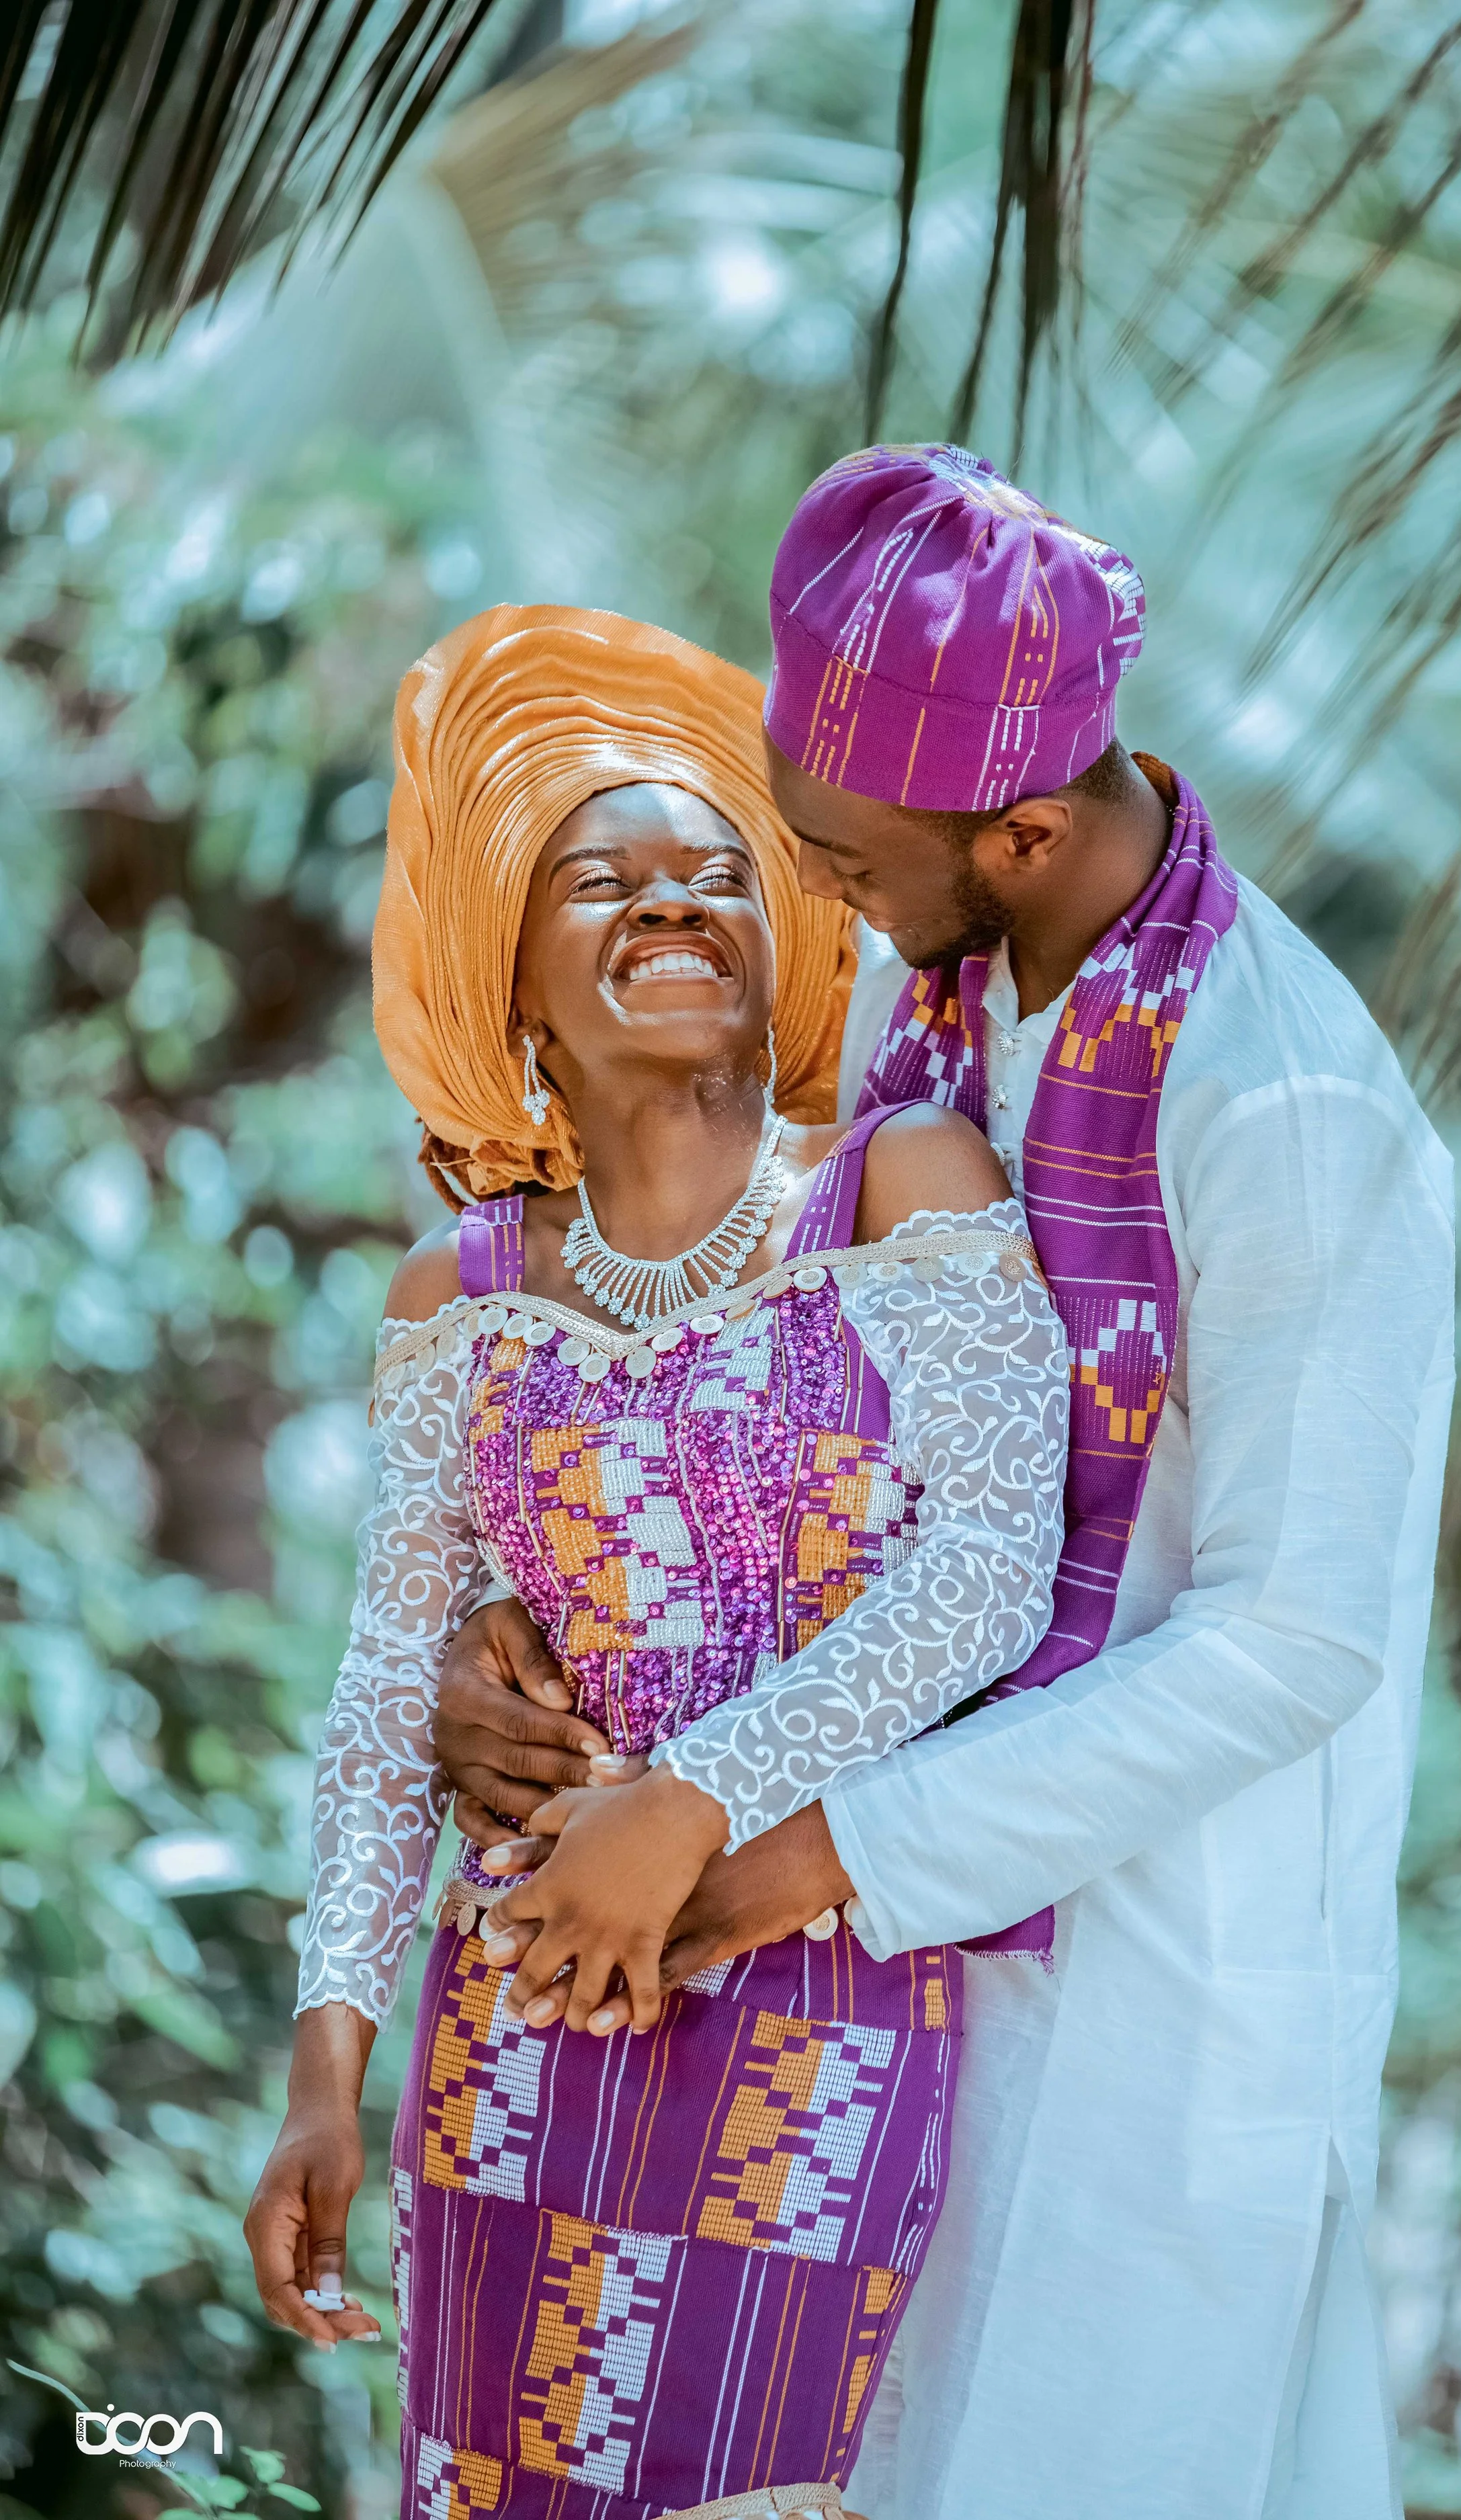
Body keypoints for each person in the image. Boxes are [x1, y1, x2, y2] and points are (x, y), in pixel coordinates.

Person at [438, 448, 1458, 2520]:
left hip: (1144, 2017)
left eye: (841, 854)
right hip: (871, 1991)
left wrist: (791, 1846)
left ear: (1020, 825)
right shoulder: (947, 1008)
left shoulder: (1287, 1111)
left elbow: (1296, 1636)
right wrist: (507, 1633)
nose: (810, 892)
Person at [243, 602, 1071, 2520]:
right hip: (515, 2024)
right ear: (512, 983)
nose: (672, 902)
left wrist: (690, 1798)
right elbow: (392, 1691)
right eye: (602, 881)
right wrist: (323, 2071)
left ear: (783, 936)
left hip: (815, 1992)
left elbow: (989, 1573)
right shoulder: (455, 1297)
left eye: (717, 875)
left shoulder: (900, 1189)